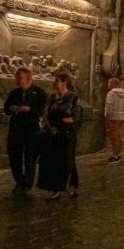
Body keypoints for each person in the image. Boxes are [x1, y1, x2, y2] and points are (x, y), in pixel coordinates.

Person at [3, 66, 48, 194]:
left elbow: (42, 111)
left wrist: (29, 110)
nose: (17, 80)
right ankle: (19, 182)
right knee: (14, 156)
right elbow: (6, 109)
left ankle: (27, 184)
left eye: (20, 77)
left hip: (31, 129)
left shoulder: (39, 92)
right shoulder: (14, 93)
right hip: (16, 129)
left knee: (30, 158)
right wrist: (11, 108)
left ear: (28, 78)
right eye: (17, 77)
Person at [37, 72, 82, 201]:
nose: (58, 84)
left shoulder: (73, 97)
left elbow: (75, 116)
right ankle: (56, 188)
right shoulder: (52, 97)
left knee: (66, 160)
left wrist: (61, 122)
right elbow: (47, 113)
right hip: (53, 132)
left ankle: (67, 186)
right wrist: (51, 127)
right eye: (56, 81)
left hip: (66, 133)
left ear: (65, 82)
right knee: (53, 160)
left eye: (60, 81)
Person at [103, 77, 124, 162]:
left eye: (109, 83)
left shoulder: (111, 93)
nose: (107, 84)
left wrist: (107, 117)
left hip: (113, 117)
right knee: (118, 135)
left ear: (114, 84)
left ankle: (115, 155)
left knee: (113, 137)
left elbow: (109, 106)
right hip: (121, 116)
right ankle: (118, 154)